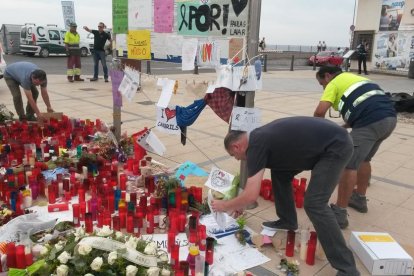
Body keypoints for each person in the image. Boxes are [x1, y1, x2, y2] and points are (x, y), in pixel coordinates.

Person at [211, 116, 360, 276]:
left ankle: (347, 268)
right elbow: (250, 189)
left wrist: (225, 205)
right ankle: (288, 220)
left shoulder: (255, 145)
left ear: (237, 146)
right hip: (323, 143)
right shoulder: (258, 138)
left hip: (335, 147)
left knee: (315, 204)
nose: (238, 159)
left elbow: (251, 195)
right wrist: (240, 203)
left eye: (234, 155)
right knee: (279, 173)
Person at [313, 66, 396, 229]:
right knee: (364, 159)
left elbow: (319, 112)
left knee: (348, 164)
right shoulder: (357, 78)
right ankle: (359, 198)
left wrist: (320, 132)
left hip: (370, 122)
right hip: (389, 119)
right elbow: (365, 104)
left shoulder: (334, 83)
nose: (323, 87)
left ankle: (339, 213)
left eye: (322, 83)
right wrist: (343, 126)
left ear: (328, 76)